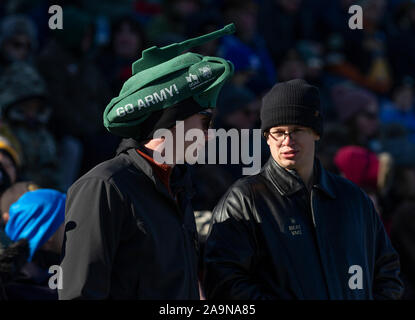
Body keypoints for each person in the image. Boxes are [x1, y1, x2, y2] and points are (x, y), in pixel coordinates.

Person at [58, 24, 235, 300]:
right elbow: (78, 293)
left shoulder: (179, 187)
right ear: (171, 119)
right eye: (205, 121)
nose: (211, 135)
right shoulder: (105, 185)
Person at [203, 79, 403, 299]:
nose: (287, 141)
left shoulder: (353, 198)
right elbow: (224, 284)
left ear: (316, 133)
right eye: (278, 132)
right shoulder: (243, 201)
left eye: (297, 129)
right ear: (267, 137)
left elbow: (387, 272)